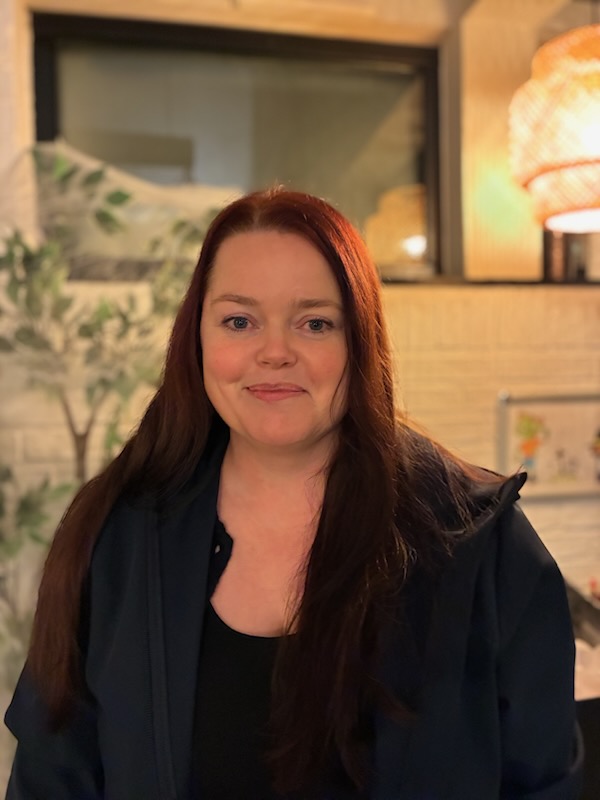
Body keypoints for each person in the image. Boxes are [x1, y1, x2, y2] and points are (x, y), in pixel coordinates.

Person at [4, 188, 583, 799]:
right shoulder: (118, 536)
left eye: (315, 323)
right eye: (239, 321)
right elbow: (50, 778)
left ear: (360, 342)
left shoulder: (479, 542)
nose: (275, 352)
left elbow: (546, 781)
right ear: (197, 339)